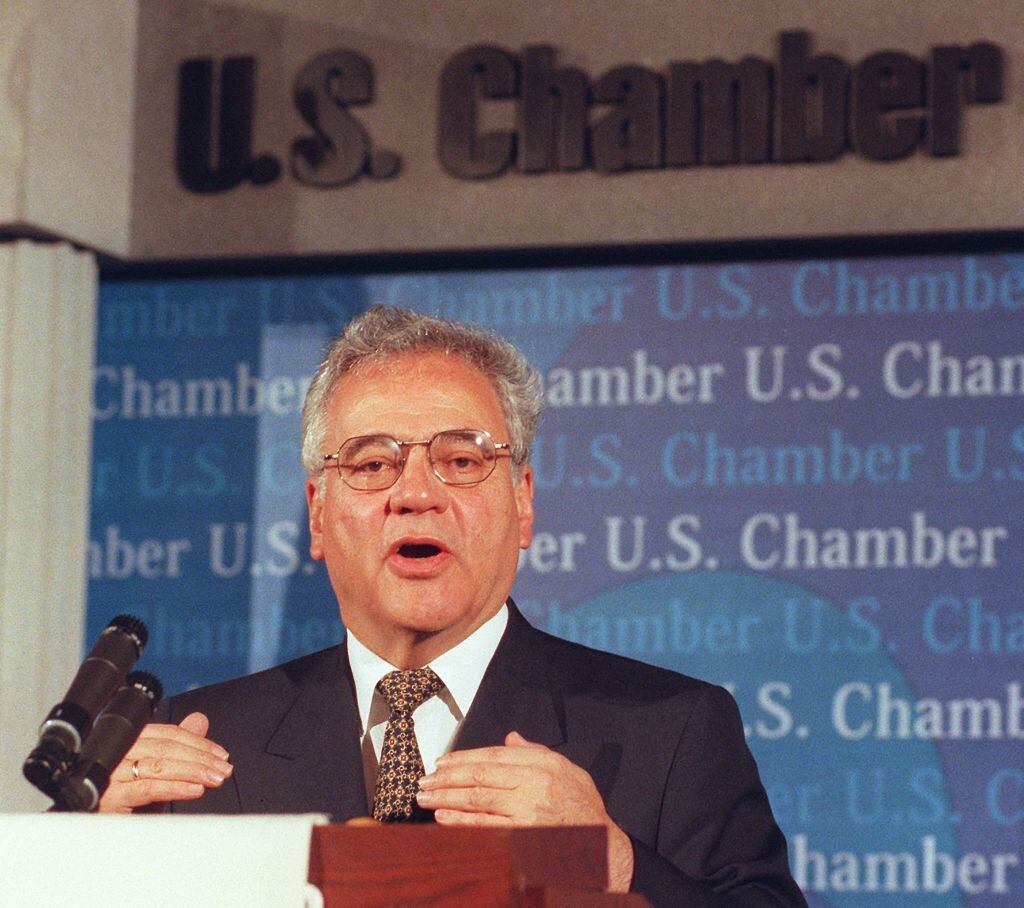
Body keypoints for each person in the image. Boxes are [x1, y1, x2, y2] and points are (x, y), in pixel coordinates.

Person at [100, 306, 807, 906]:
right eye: (372, 463)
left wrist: (616, 864)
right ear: (317, 513)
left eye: (462, 461)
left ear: (523, 503)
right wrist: (90, 859)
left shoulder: (672, 732)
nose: (415, 494)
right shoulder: (197, 751)